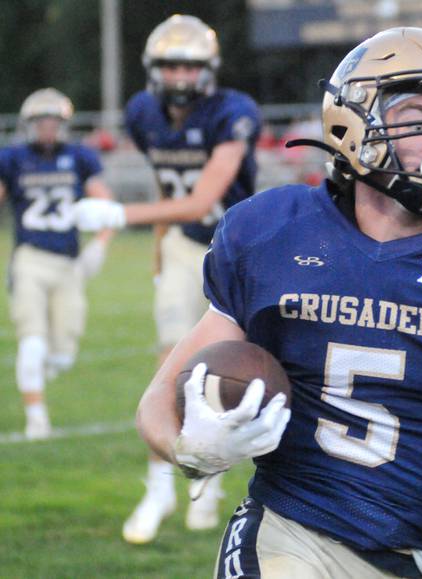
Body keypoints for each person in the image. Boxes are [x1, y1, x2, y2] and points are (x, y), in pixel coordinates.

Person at [135, 27, 422, 578]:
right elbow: (159, 397)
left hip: (417, 556)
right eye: (417, 114)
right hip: (288, 529)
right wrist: (190, 450)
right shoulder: (274, 233)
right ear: (352, 121)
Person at [73, 14, 262, 544]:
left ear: (209, 69)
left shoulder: (234, 112)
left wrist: (117, 217)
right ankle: (159, 484)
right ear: (155, 69)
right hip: (182, 246)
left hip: (237, 251)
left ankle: (211, 481)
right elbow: (165, 179)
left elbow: (204, 200)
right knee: (171, 367)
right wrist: (158, 251)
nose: (180, 75)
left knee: (228, 372)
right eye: (171, 64)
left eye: (189, 64)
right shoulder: (142, 112)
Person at [0, 88, 114, 439]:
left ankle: (40, 369)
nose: (47, 129)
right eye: (41, 122)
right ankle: (37, 418)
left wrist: (100, 244)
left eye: (53, 122)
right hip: (30, 259)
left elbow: (106, 204)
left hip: (69, 264)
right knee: (32, 342)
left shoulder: (79, 157)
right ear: (29, 125)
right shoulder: (14, 159)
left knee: (63, 354)